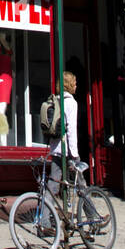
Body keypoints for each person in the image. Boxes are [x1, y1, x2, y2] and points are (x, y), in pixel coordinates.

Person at [47, 70, 88, 200]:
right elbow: (71, 130)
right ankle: (91, 215)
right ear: (69, 85)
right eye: (74, 83)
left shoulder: (55, 100)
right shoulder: (71, 103)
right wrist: (75, 154)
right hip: (68, 150)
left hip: (55, 149)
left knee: (53, 184)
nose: (76, 86)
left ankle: (44, 217)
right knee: (81, 185)